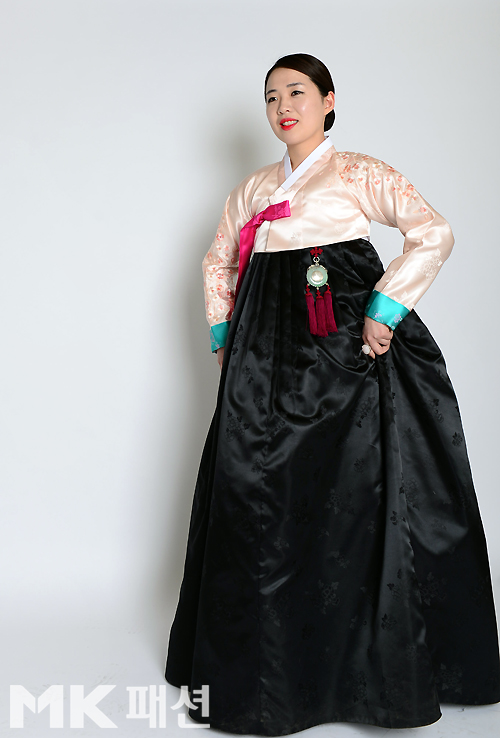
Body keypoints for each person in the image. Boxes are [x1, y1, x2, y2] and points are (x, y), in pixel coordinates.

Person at [164, 53, 500, 735]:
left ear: (328, 100)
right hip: (263, 356)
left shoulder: (357, 173)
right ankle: (272, 670)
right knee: (256, 489)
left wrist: (385, 310)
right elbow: (218, 258)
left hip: (342, 351)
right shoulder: (253, 188)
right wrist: (225, 331)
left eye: (297, 92)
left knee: (355, 491)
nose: (283, 106)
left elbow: (432, 231)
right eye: (271, 97)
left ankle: (361, 672)